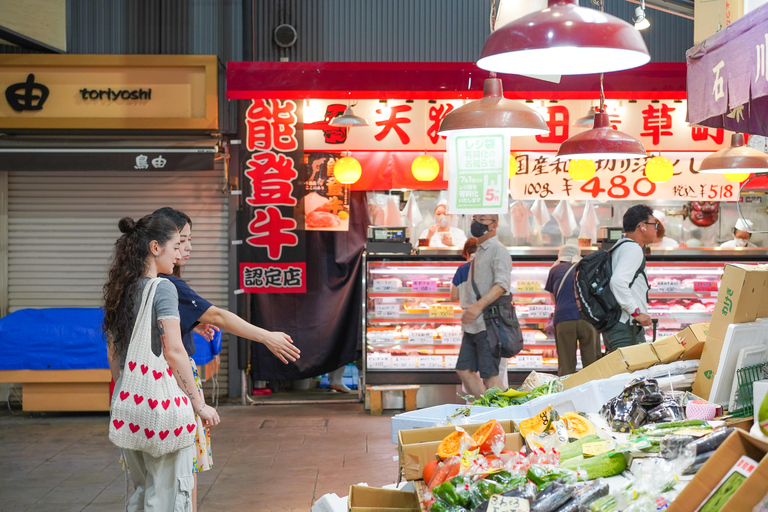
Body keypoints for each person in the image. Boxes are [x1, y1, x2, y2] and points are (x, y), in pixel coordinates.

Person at [153, 207, 301, 510]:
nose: (187, 248)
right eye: (181, 241)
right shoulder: (166, 283)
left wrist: (193, 321)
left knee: (168, 472)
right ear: (156, 246)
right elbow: (212, 320)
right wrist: (266, 336)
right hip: (174, 385)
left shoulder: (139, 283)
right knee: (184, 468)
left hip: (156, 387)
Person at [104, 214, 220, 511]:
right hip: (163, 409)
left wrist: (122, 393)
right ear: (155, 247)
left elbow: (113, 353)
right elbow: (174, 352)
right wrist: (199, 405)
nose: (179, 253)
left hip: (129, 405)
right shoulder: (162, 288)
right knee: (168, 495)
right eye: (175, 245)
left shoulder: (121, 288)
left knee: (143, 491)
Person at [456, 214, 511, 398]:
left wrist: (477, 306)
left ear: (494, 225)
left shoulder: (498, 249)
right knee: (464, 370)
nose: (476, 223)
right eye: (475, 218)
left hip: (488, 324)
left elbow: (502, 285)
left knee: (490, 376)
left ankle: (505, 414)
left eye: (482, 219)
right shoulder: (480, 251)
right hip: (473, 325)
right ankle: (486, 409)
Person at [602, 205, 656, 351]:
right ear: (642, 226)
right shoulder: (633, 249)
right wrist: (636, 312)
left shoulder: (619, 246)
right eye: (654, 224)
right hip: (626, 327)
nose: (656, 229)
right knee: (630, 373)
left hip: (617, 324)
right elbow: (618, 282)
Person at [544, 245, 600, 376]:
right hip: (587, 318)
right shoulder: (586, 268)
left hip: (563, 319)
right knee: (592, 362)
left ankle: (566, 393)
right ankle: (593, 392)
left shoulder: (554, 270)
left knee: (566, 364)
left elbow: (553, 296)